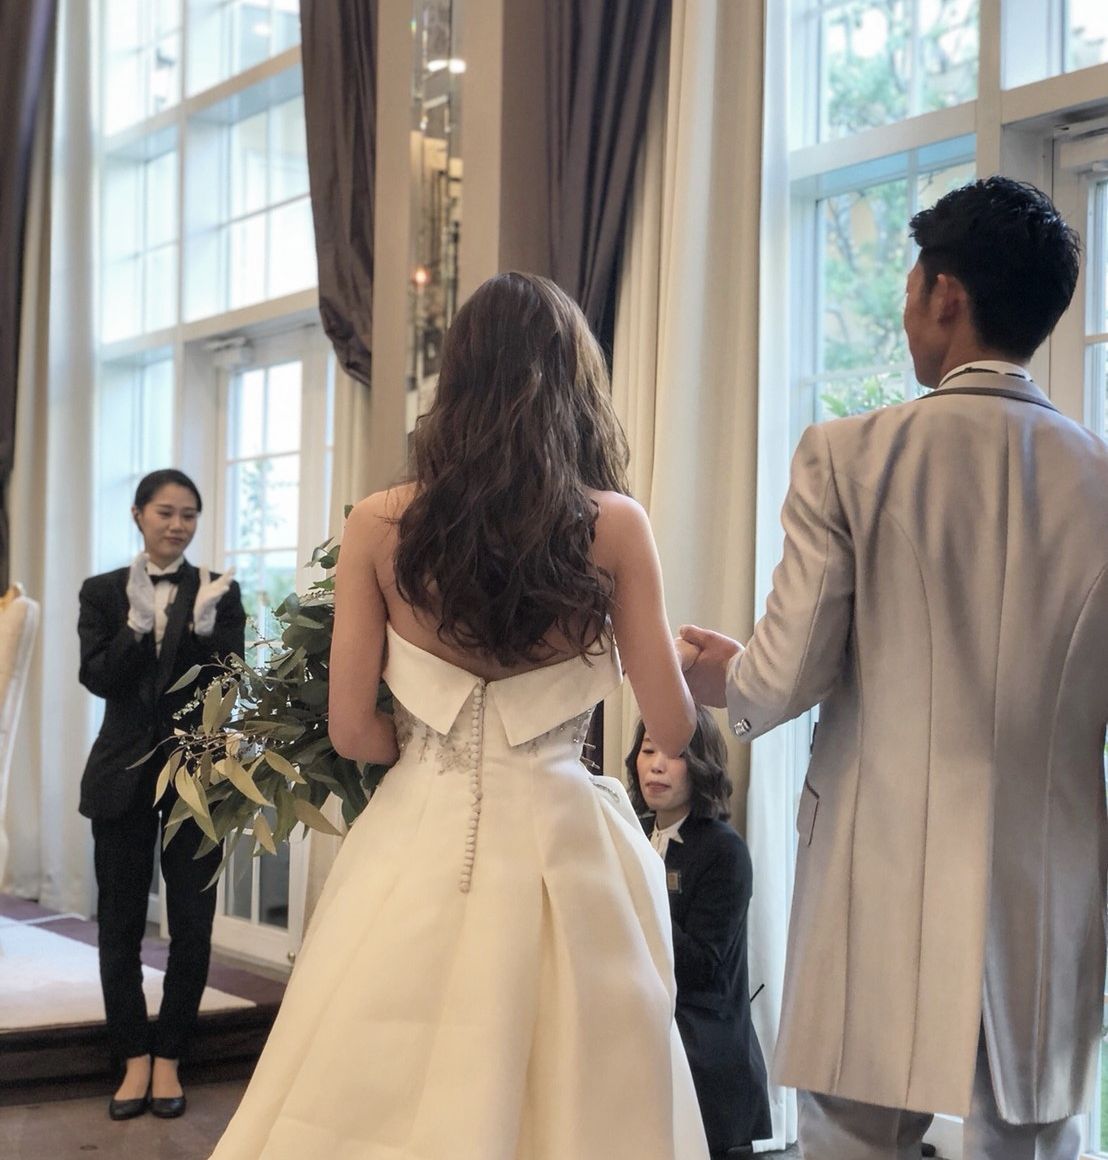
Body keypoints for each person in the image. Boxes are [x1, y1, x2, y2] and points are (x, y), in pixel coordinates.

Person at [209, 272, 710, 1159]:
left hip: (418, 830)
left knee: (371, 1080)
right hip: (564, 838)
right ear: (573, 380)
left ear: (458, 380)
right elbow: (671, 730)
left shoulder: (379, 523)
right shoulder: (615, 525)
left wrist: (428, 742)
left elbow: (351, 731)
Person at [678, 176, 1108, 1160]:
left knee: (850, 1135)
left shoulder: (850, 456)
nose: (907, 304)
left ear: (945, 295)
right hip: (1050, 890)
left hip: (877, 874)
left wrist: (724, 680)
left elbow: (782, 677)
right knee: (1033, 1139)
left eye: (911, 284)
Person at [78, 468, 245, 1121]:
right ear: (138, 514)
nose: (178, 525)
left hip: (195, 772)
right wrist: (136, 628)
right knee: (119, 922)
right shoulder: (101, 591)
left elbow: (229, 685)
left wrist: (202, 635)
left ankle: (171, 1054)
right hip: (120, 775)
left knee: (193, 923)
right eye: (166, 512)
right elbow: (98, 678)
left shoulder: (220, 590)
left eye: (189, 515)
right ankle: (133, 1057)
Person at [625, 709, 771, 1158]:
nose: (656, 766)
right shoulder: (632, 833)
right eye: (648, 750)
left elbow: (702, 967)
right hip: (644, 1037)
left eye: (673, 754)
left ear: (700, 764)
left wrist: (639, 899)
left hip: (704, 1051)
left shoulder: (724, 850)